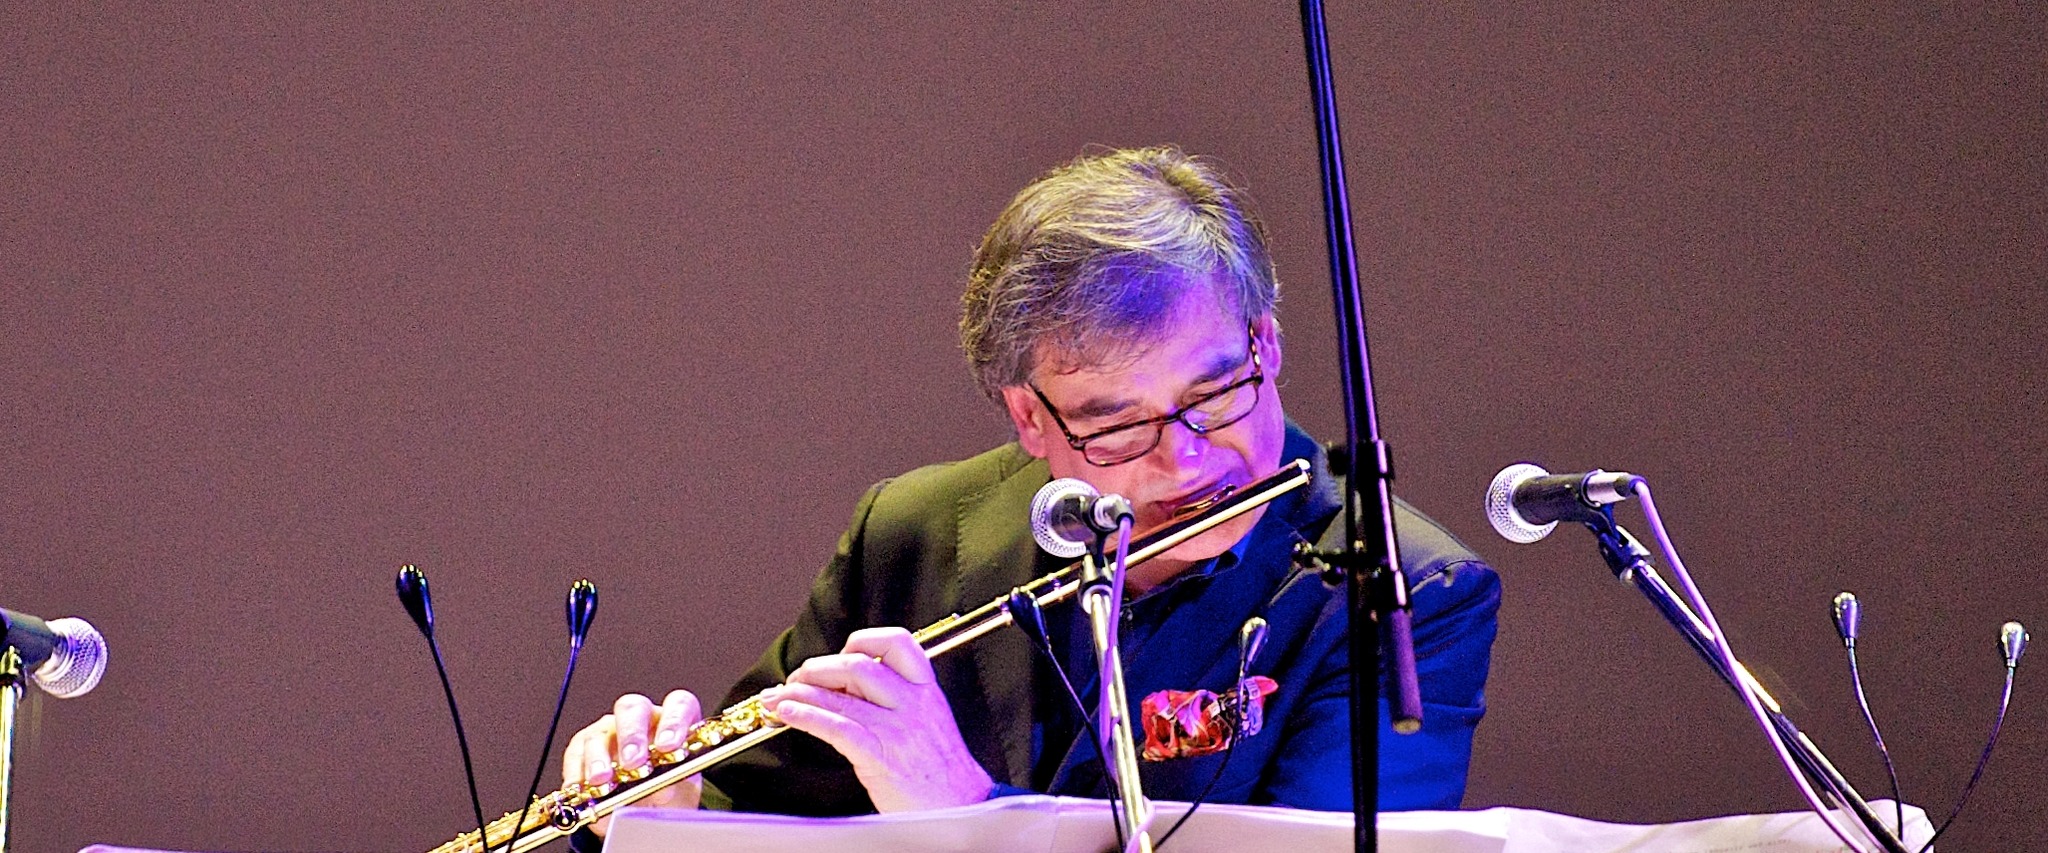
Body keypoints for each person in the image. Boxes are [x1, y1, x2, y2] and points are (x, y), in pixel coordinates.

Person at [562, 146, 1500, 841]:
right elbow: (768, 814)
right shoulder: (918, 532)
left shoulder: (1402, 592)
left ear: (1266, 343)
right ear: (1028, 415)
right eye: (1116, 423)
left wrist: (964, 815)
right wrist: (668, 819)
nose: (1184, 458)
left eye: (1213, 393)